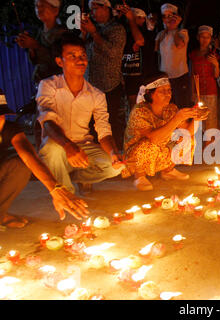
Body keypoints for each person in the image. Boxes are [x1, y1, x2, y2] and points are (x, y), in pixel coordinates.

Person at [36, 33, 124, 195]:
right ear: (59, 61)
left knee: (115, 167)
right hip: (57, 145)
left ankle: (75, 177)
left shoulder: (96, 94)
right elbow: (47, 122)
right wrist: (68, 146)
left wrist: (113, 153)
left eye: (83, 55)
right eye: (72, 56)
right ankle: (67, 196)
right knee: (52, 149)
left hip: (84, 147)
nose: (80, 60)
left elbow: (103, 131)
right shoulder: (48, 86)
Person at [0, 91, 89, 228]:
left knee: (19, 166)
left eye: (2, 114)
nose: (0, 120)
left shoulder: (9, 129)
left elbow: (29, 156)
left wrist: (55, 189)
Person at [124, 73, 207, 191]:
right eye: (162, 91)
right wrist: (177, 118)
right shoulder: (140, 111)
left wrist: (196, 118)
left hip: (159, 147)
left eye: (169, 90)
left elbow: (188, 132)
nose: (168, 94)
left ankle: (168, 170)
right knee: (148, 144)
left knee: (187, 138)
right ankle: (139, 176)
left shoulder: (171, 109)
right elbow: (153, 138)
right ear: (150, 94)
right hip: (137, 155)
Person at [81, 0, 127, 149]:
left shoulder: (117, 29)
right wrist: (83, 34)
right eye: (91, 9)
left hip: (109, 85)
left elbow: (113, 53)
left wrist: (94, 33)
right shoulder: (89, 30)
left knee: (112, 123)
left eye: (96, 8)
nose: (93, 12)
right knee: (91, 125)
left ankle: (117, 157)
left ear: (107, 9)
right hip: (90, 86)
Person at [16, 0, 66, 85]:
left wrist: (35, 45)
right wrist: (29, 46)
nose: (39, 9)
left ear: (55, 10)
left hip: (57, 84)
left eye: (43, 6)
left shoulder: (62, 34)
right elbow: (36, 61)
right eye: (37, 6)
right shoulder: (40, 32)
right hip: (41, 82)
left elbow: (58, 61)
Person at [118, 6, 159, 111]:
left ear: (143, 19)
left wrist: (131, 20)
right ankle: (132, 125)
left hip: (143, 76)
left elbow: (140, 41)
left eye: (136, 17)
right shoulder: (123, 32)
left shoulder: (147, 33)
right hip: (128, 75)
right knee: (132, 106)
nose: (131, 18)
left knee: (144, 106)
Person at [155, 3, 191, 108]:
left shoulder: (182, 32)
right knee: (167, 107)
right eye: (164, 16)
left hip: (180, 76)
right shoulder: (160, 34)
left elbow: (179, 45)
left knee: (181, 106)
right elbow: (156, 51)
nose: (167, 19)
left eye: (170, 16)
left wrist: (174, 28)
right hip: (165, 77)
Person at [189, 25, 220, 130]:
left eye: (207, 37)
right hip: (198, 91)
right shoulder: (193, 54)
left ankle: (209, 143)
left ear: (210, 39)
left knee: (211, 118)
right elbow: (192, 74)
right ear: (198, 37)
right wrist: (192, 92)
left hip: (211, 90)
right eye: (202, 37)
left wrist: (216, 64)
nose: (205, 40)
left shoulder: (213, 54)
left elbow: (216, 75)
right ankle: (197, 143)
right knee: (198, 118)